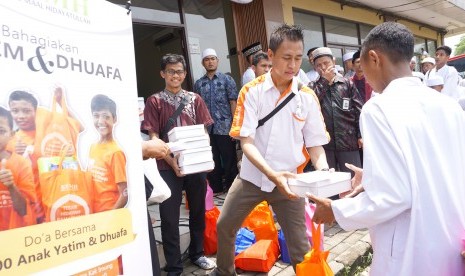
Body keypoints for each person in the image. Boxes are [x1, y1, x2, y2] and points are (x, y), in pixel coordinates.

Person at [308, 22, 465, 275]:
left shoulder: (379, 108)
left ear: (374, 58)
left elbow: (393, 196)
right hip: (451, 240)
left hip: (412, 249)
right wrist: (372, 176)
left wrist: (335, 209)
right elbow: (431, 169)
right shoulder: (449, 107)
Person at [213, 24, 330, 276]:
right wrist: (271, 174)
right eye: (286, 57)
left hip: (290, 183)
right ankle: (224, 271)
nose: (293, 65)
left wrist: (324, 174)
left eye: (298, 58)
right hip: (251, 178)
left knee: (300, 247)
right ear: (270, 54)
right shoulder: (251, 91)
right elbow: (246, 143)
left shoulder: (307, 96)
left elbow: (315, 143)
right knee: (225, 226)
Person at [142, 54, 216, 275]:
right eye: (171, 71)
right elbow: (154, 137)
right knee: (169, 217)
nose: (176, 75)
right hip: (167, 167)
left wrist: (205, 157)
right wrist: (172, 163)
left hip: (195, 166)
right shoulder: (154, 101)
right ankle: (174, 266)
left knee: (198, 212)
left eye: (180, 71)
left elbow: (204, 132)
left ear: (185, 74)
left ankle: (197, 253)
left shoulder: (195, 99)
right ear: (162, 73)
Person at [308, 47, 363, 176]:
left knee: (353, 179)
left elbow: (359, 111)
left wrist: (360, 135)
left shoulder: (347, 84)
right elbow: (312, 103)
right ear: (314, 67)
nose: (323, 67)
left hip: (348, 141)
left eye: (326, 63)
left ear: (333, 61)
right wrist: (325, 81)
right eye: (318, 65)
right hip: (325, 145)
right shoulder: (312, 87)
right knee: (329, 184)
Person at [194, 48, 239, 193]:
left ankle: (232, 189)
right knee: (212, 159)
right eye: (207, 59)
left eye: (213, 58)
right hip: (207, 129)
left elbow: (233, 103)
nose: (210, 62)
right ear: (203, 63)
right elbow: (197, 108)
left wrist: (235, 126)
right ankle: (216, 188)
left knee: (229, 159)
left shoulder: (227, 80)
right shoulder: (199, 84)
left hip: (225, 126)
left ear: (217, 61)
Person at [7, 90, 44, 223]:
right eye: (15, 111)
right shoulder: (9, 141)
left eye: (26, 111)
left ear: (35, 111)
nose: (20, 116)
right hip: (24, 208)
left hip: (47, 202)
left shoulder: (46, 135)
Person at [88, 94, 127, 212]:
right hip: (93, 213)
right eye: (96, 116)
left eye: (106, 116)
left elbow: (125, 194)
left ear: (114, 119)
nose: (101, 121)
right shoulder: (93, 147)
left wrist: (110, 217)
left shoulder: (116, 153)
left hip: (108, 215)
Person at [0, 107, 37, 231]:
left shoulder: (21, 164)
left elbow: (23, 210)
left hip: (16, 236)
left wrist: (11, 186)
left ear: (11, 135)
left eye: (1, 131)